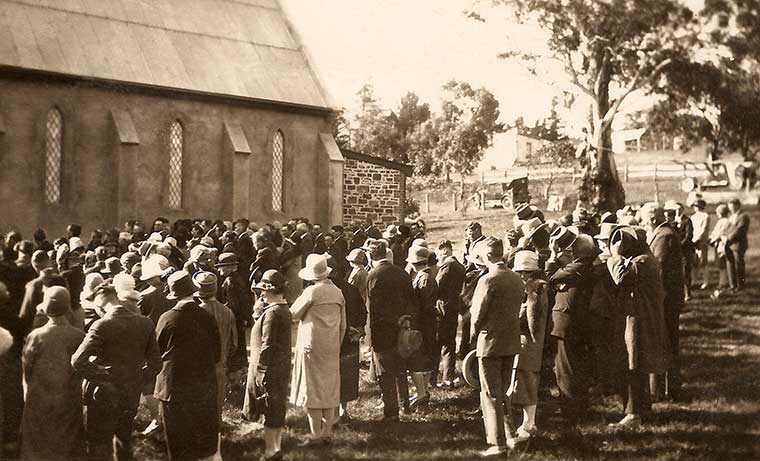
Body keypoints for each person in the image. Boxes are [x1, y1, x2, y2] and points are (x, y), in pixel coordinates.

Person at [71, 282, 161, 460]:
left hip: (102, 394)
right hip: (131, 391)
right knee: (124, 439)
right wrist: (136, 378)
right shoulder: (145, 323)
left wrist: (101, 374)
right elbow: (156, 363)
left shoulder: (101, 325)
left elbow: (77, 361)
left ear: (100, 304)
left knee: (98, 443)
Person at [606, 226, 670, 426]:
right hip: (643, 317)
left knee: (633, 363)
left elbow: (621, 278)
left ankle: (633, 413)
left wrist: (614, 256)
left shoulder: (641, 262)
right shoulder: (645, 258)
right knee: (637, 363)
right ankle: (643, 409)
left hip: (639, 319)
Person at [154, 270, 221, 461]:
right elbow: (216, 354)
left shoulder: (167, 318)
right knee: (202, 441)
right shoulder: (207, 317)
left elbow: (156, 353)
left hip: (173, 388)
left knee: (178, 444)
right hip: (201, 386)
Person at [470, 237, 523, 457]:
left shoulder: (488, 280)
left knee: (491, 393)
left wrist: (473, 336)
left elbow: (477, 315)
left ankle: (498, 443)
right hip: (510, 341)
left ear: (486, 256)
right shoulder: (516, 278)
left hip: (490, 342)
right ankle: (511, 436)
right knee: (503, 392)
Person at [21, 286, 86, 460]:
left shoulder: (36, 335)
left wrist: (28, 387)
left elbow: (27, 366)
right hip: (68, 394)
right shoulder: (78, 335)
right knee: (67, 437)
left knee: (39, 438)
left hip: (40, 393)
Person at [289, 254, 346, 445]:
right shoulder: (338, 292)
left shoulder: (311, 292)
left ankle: (315, 434)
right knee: (329, 386)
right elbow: (343, 325)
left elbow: (293, 315)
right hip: (331, 345)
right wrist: (336, 343)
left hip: (311, 345)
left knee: (312, 387)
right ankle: (327, 431)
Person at [244, 270, 292, 460]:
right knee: (276, 405)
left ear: (271, 291)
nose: (261, 294)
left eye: (263, 291)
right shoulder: (282, 309)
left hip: (270, 367)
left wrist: (261, 370)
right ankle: (276, 448)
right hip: (279, 365)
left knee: (269, 405)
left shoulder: (272, 313)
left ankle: (271, 451)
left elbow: (268, 344)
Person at [548, 231, 596, 424]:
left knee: (566, 370)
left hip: (567, 325)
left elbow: (549, 276)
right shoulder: (583, 266)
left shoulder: (577, 267)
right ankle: (578, 409)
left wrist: (552, 255)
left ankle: (571, 412)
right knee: (575, 367)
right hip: (575, 323)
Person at [366, 239, 415, 420]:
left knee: (385, 372)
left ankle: (391, 412)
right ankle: (405, 405)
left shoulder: (373, 275)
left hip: (382, 330)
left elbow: (374, 308)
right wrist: (405, 319)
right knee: (400, 367)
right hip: (402, 328)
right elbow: (411, 300)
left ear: (371, 256)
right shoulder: (401, 273)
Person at [194, 271, 237, 459]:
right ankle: (216, 451)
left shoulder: (195, 313)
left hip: (199, 368)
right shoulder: (227, 311)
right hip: (220, 366)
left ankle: (201, 449)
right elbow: (234, 344)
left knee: (199, 408)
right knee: (216, 408)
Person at [644, 204, 684, 401]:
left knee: (665, 342)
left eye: (644, 219)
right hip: (666, 298)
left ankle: (666, 390)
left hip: (665, 299)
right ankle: (662, 390)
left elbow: (657, 269)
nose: (643, 222)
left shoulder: (663, 236)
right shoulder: (664, 233)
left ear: (652, 219)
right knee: (664, 342)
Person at [510, 250, 549, 443]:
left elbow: (527, 318)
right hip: (530, 342)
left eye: (522, 272)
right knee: (526, 381)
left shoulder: (534, 290)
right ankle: (528, 422)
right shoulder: (537, 287)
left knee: (526, 380)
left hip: (529, 343)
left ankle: (529, 423)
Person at [325, 256, 367, 422]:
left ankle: (331, 411)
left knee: (331, 372)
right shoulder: (349, 288)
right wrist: (357, 328)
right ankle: (343, 410)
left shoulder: (321, 289)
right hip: (349, 337)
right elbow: (362, 312)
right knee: (346, 373)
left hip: (331, 336)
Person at [406, 246, 438, 408]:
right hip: (426, 323)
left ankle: (422, 393)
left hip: (423, 324)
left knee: (420, 358)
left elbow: (422, 305)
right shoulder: (425, 275)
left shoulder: (424, 278)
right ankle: (423, 392)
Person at [433, 240, 465, 387]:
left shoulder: (447, 265)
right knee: (450, 344)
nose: (438, 257)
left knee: (438, 343)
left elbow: (437, 286)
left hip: (442, 308)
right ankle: (448, 377)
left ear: (445, 251)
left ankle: (432, 378)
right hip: (453, 307)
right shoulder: (460, 266)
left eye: (439, 253)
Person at [217, 252, 252, 370]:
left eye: (222, 266)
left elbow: (233, 303)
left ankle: (235, 373)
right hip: (239, 318)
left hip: (234, 318)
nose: (220, 269)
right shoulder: (237, 278)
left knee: (234, 343)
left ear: (228, 267)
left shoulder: (230, 281)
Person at [725, 198, 750, 290]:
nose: (731, 209)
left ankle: (741, 284)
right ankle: (732, 285)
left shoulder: (743, 216)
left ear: (738, 205)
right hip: (728, 244)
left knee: (738, 264)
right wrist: (724, 237)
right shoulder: (731, 216)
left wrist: (728, 238)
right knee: (730, 264)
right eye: (730, 207)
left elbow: (739, 230)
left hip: (738, 244)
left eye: (733, 207)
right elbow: (726, 228)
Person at [709, 204, 732, 299]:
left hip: (722, 244)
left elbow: (719, 233)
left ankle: (723, 282)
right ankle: (723, 281)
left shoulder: (724, 221)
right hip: (719, 243)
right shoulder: (724, 221)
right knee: (721, 264)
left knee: (722, 263)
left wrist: (712, 240)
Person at [690, 199, 711, 289]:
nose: (695, 208)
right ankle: (694, 280)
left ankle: (705, 281)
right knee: (694, 262)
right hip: (693, 240)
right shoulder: (693, 217)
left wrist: (697, 239)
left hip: (701, 241)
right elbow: (692, 229)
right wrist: (692, 240)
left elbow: (703, 229)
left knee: (703, 262)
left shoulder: (705, 216)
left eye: (697, 206)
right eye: (695, 206)